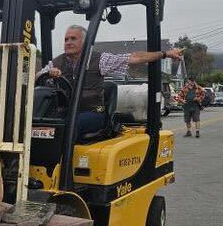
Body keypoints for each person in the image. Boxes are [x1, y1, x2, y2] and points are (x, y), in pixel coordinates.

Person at [35, 25, 183, 140]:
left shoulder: (99, 60)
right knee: (37, 122)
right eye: (66, 39)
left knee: (71, 124)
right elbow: (36, 78)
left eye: (73, 39)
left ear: (85, 42)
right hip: (67, 111)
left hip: (92, 113)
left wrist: (165, 54)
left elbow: (133, 58)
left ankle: (62, 171)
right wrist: (48, 73)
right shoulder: (57, 62)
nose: (68, 42)